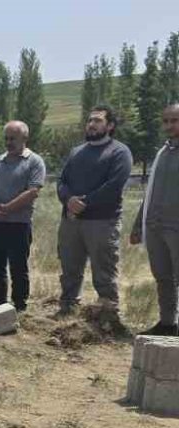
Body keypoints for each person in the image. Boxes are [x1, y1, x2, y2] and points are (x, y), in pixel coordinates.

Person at [56, 105, 133, 318]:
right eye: (90, 120)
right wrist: (68, 200)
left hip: (102, 222)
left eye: (97, 120)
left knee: (104, 271)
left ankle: (108, 315)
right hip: (71, 221)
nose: (91, 124)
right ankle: (68, 310)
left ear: (110, 126)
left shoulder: (119, 152)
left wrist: (85, 203)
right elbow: (62, 181)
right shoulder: (76, 152)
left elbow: (114, 185)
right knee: (69, 269)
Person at [0, 121, 46, 313]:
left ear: (24, 138)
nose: (8, 142)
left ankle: (19, 306)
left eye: (13, 139)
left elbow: (33, 191)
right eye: (6, 138)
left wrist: (7, 208)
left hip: (19, 224)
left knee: (18, 267)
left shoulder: (34, 161)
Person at [129, 103, 179, 336]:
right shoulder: (162, 153)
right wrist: (138, 224)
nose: (169, 125)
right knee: (163, 277)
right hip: (156, 227)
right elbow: (150, 193)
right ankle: (168, 324)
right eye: (166, 121)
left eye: (174, 120)